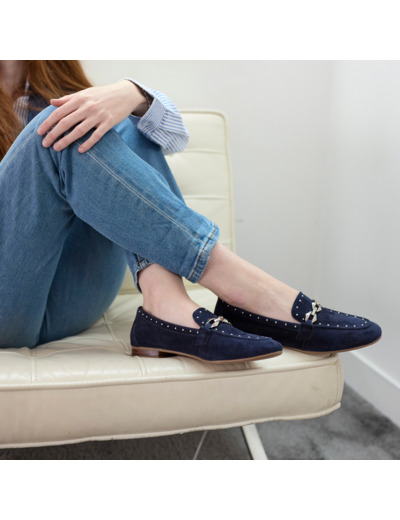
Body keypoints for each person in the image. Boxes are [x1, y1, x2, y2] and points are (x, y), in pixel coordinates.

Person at [0, 60, 382, 363]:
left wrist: (132, 94)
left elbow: (172, 137)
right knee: (58, 127)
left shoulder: (58, 87)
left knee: (123, 123)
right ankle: (242, 284)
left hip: (73, 294)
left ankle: (164, 303)